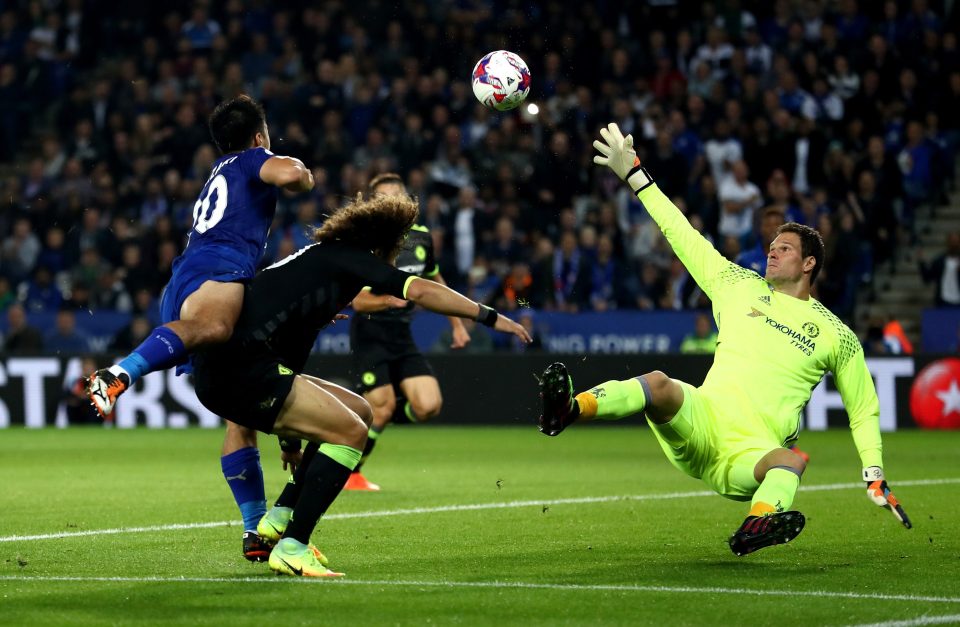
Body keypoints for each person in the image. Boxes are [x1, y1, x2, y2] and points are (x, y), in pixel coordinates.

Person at [539, 123, 910, 557]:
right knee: (658, 383)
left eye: (784, 248)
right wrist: (636, 176)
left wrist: (874, 472)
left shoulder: (838, 335)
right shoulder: (738, 285)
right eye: (771, 244)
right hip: (702, 421)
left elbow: (863, 408)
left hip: (750, 454)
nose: (771, 250)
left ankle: (756, 525)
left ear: (809, 263)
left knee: (792, 461)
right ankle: (567, 410)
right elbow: (684, 236)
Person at [191, 193, 530, 576]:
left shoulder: (324, 266)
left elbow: (290, 348)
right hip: (237, 371)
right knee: (350, 433)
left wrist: (290, 441)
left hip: (241, 367)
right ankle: (293, 546)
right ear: (383, 242)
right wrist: (488, 315)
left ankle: (281, 517)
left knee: (360, 411)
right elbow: (419, 289)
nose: (398, 254)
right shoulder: (347, 259)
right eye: (397, 246)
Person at [86, 95, 315, 562]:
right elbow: (292, 176)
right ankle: (121, 372)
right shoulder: (254, 159)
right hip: (219, 268)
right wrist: (303, 172)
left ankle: (255, 531)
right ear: (258, 135)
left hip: (192, 273)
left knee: (238, 411)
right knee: (211, 326)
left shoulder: (219, 171)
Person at [345, 173, 470, 491]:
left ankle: (360, 415)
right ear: (373, 203)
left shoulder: (422, 236)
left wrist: (456, 322)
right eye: (382, 198)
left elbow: (434, 281)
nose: (390, 203)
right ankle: (351, 472)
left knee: (428, 405)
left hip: (402, 336)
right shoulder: (363, 240)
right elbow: (357, 301)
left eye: (395, 197)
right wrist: (389, 298)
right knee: (383, 406)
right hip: (370, 333)